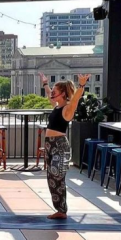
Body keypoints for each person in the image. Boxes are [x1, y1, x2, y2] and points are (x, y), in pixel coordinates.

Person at [40, 72, 91, 219]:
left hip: (60, 146)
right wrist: (45, 83)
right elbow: (49, 93)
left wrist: (81, 85)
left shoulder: (67, 109)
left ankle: (62, 210)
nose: (52, 93)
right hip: (49, 145)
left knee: (57, 174)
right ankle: (61, 210)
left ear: (62, 94)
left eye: (55, 92)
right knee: (52, 179)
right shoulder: (56, 106)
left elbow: (75, 100)